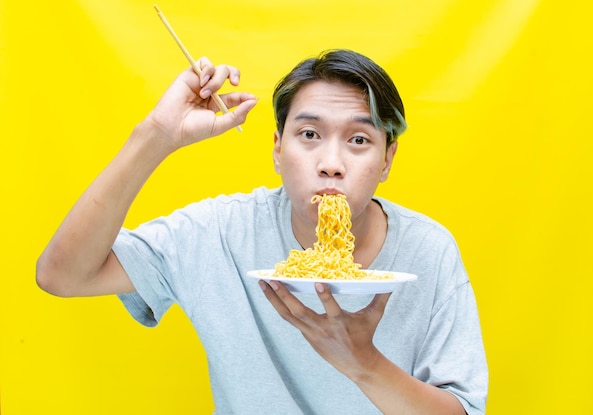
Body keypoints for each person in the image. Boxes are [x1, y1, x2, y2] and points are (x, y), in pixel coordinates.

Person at [37, 49, 488, 414]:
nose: (331, 163)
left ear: (387, 159)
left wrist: (364, 363)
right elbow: (62, 275)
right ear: (277, 149)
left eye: (359, 140)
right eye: (309, 134)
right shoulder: (220, 232)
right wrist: (155, 135)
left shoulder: (429, 250)